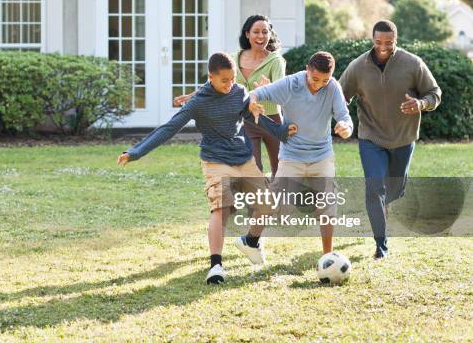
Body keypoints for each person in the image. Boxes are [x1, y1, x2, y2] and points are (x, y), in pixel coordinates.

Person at [117, 52, 297, 285]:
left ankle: (250, 241)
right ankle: (216, 266)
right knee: (220, 208)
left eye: (233, 79)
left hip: (243, 158)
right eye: (225, 80)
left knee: (267, 206)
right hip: (215, 161)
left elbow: (255, 119)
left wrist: (281, 132)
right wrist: (136, 152)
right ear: (210, 77)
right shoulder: (198, 103)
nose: (230, 84)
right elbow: (169, 128)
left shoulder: (238, 93)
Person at [235, 51, 353, 264]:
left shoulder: (332, 86)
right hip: (292, 156)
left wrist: (345, 127)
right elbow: (256, 94)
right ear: (307, 70)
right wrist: (252, 103)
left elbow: (344, 117)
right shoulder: (291, 84)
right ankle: (250, 240)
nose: (319, 84)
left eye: (325, 80)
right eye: (315, 79)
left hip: (322, 156)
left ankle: (327, 257)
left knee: (327, 204)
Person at [339, 20, 441, 259]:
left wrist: (421, 103)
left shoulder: (413, 63)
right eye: (378, 42)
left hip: (403, 138)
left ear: (396, 40)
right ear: (372, 40)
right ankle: (380, 245)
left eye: (389, 43)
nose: (383, 47)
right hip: (371, 137)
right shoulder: (358, 66)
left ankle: (386, 204)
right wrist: (340, 115)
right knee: (375, 189)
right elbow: (340, 94)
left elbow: (434, 93)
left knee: (393, 190)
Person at [175, 15, 286, 178]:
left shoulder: (276, 61)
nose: (261, 36)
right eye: (256, 32)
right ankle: (258, 202)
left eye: (265, 32)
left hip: (271, 120)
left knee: (281, 168)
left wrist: (268, 89)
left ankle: (280, 199)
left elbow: (281, 92)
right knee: (253, 168)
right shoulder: (234, 58)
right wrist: (193, 95)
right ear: (247, 34)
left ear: (270, 34)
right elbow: (215, 83)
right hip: (247, 120)